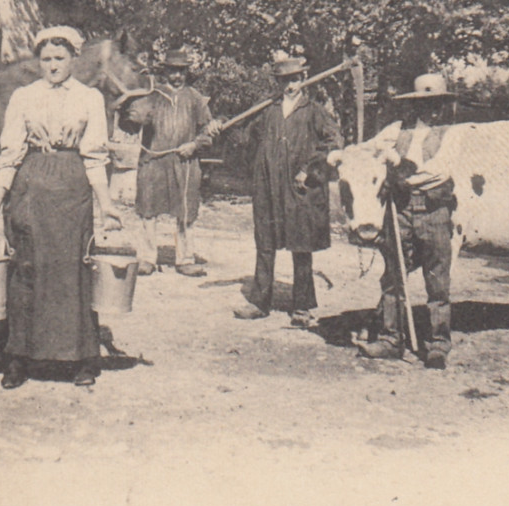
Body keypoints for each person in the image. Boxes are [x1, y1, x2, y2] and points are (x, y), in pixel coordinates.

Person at [0, 26, 123, 390]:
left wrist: (107, 206)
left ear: (74, 59)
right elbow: (9, 154)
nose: (53, 66)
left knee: (72, 273)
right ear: (38, 61)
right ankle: (17, 358)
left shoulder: (89, 98)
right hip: (30, 190)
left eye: (60, 58)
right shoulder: (23, 97)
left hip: (73, 193)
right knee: (25, 269)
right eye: (46, 59)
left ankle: (81, 359)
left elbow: (95, 156)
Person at [357, 74, 458, 370]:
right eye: (425, 104)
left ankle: (438, 344)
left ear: (443, 105)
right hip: (399, 210)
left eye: (436, 104)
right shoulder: (397, 131)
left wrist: (398, 166)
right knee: (393, 276)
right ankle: (391, 339)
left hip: (434, 210)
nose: (432, 110)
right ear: (414, 105)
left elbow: (438, 173)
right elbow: (367, 150)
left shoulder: (450, 135)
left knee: (437, 279)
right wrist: (375, 156)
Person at [235, 55, 343, 329]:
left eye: (295, 80)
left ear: (303, 80)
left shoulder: (313, 111)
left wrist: (308, 169)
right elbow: (246, 139)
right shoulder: (268, 111)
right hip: (269, 187)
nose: (290, 85)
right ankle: (259, 302)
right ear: (279, 83)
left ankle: (303, 307)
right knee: (265, 243)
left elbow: (334, 142)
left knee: (301, 245)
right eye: (285, 81)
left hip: (299, 189)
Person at [122, 48, 215, 277]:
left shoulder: (196, 99)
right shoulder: (151, 95)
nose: (177, 76)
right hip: (153, 162)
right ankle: (147, 258)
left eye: (181, 71)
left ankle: (184, 259)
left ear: (186, 72)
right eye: (172, 71)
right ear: (165, 72)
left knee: (185, 211)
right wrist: (126, 110)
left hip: (184, 164)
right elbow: (130, 125)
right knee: (148, 210)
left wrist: (194, 145)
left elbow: (208, 133)